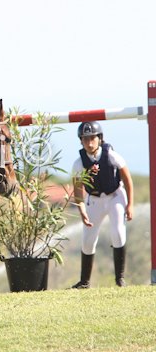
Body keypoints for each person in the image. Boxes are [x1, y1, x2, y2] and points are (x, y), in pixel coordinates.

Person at [71, 121, 134, 289]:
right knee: (87, 240)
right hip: (94, 199)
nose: (89, 143)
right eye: (85, 139)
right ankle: (84, 282)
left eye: (92, 138)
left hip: (115, 196)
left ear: (100, 138)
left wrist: (130, 204)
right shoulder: (78, 163)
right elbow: (77, 190)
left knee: (118, 233)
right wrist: (82, 211)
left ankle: (120, 279)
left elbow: (127, 179)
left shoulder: (111, 155)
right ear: (81, 141)